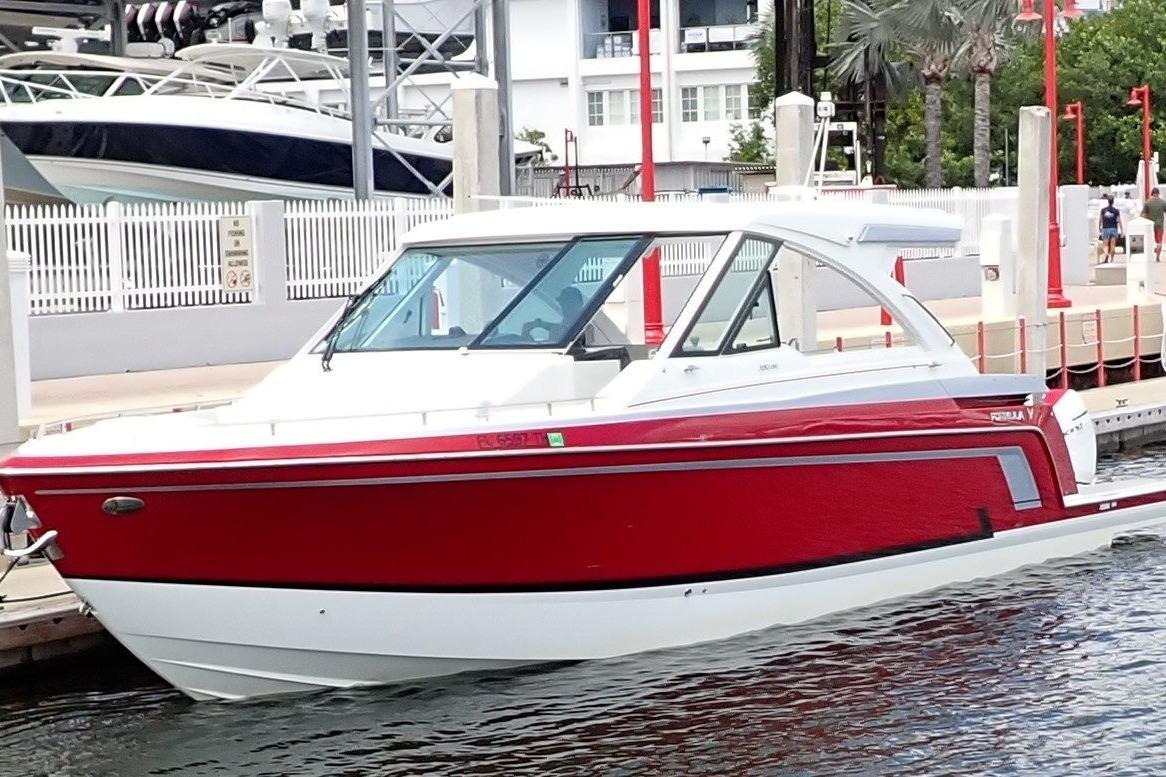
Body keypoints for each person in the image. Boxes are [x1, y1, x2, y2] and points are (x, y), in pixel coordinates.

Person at [521, 286, 585, 342]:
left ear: (580, 303)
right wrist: (528, 332)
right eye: (563, 302)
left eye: (571, 302)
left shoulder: (588, 326)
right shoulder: (558, 329)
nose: (567, 306)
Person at [1142, 187, 1166, 262]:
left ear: (1152, 193)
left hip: (1150, 226)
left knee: (1151, 241)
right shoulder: (1163, 202)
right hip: (1160, 225)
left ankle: (1152, 254)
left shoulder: (1147, 202)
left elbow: (1143, 214)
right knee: (1159, 241)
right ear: (1158, 193)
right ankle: (1157, 256)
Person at [1098, 194, 1123, 264]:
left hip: (1106, 228)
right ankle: (1111, 260)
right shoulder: (1116, 210)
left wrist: (1099, 227)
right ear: (1113, 201)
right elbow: (1119, 220)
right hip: (1114, 229)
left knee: (1105, 245)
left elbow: (1100, 219)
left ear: (1108, 201)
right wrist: (1122, 230)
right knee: (1113, 245)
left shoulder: (1103, 210)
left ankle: (1106, 258)